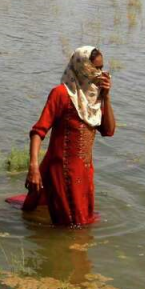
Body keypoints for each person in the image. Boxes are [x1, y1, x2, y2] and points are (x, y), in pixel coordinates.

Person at [22, 46, 116, 226]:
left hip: (85, 173)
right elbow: (38, 132)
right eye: (95, 68)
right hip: (63, 172)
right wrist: (33, 167)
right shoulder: (61, 94)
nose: (100, 73)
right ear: (82, 67)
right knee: (70, 229)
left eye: (102, 68)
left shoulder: (94, 99)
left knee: (82, 224)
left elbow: (109, 131)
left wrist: (106, 98)